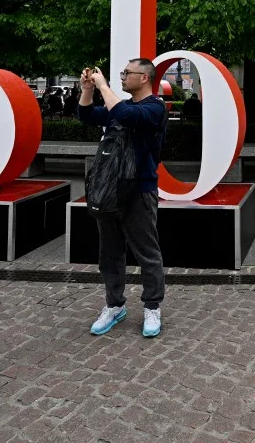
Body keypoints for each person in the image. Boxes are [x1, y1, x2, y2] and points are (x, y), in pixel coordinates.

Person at [77, 61, 167, 338]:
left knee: (147, 253)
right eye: (122, 74)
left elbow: (126, 114)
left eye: (127, 73)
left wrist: (103, 85)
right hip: (110, 190)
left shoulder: (154, 107)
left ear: (144, 77)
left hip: (139, 190)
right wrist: (87, 89)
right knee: (110, 254)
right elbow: (87, 115)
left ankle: (152, 306)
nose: (123, 77)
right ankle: (114, 305)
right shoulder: (120, 106)